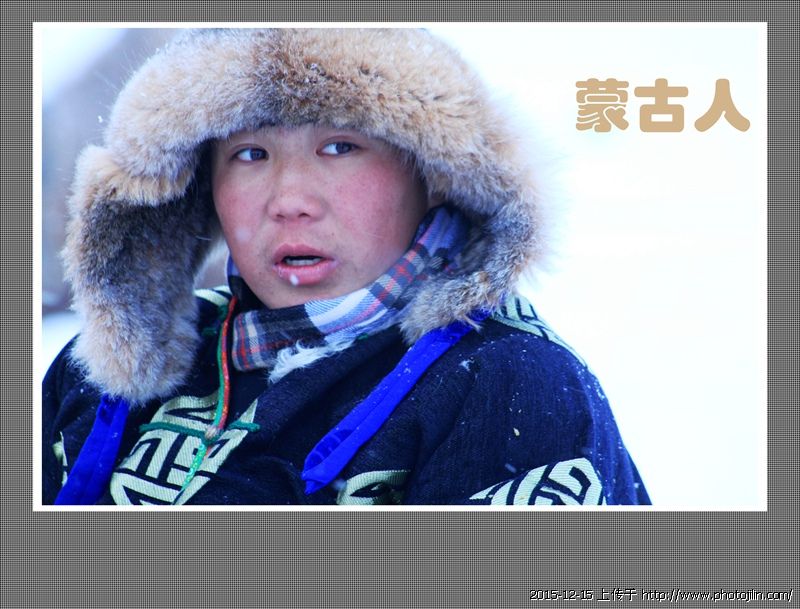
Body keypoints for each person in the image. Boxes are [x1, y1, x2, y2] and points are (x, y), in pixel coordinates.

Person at [42, 28, 650, 505]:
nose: (289, 200)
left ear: (432, 172)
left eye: (340, 147)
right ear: (202, 189)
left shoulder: (508, 384)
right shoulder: (96, 381)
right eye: (250, 153)